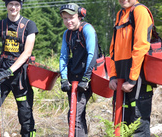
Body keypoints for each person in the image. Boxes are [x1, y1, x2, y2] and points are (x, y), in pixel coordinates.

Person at [0, 0, 38, 136]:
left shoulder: (29, 25)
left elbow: (27, 52)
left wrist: (10, 71)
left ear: (21, 6)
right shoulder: (0, 25)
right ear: (6, 5)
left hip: (20, 75)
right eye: (10, 4)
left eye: (16, 4)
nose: (13, 7)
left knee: (25, 114)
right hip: (1, 74)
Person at [108, 0, 154, 136]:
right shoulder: (120, 14)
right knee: (122, 121)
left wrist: (132, 79)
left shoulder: (140, 11)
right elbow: (113, 49)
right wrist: (113, 76)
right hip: (121, 76)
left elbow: (141, 47)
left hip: (138, 77)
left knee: (138, 123)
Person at [59, 3, 99, 137]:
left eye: (71, 17)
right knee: (75, 114)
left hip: (86, 77)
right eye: (65, 18)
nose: (68, 21)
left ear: (80, 16)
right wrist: (64, 79)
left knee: (74, 114)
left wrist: (86, 79)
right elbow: (63, 57)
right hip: (72, 78)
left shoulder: (87, 30)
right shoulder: (67, 34)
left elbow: (92, 54)